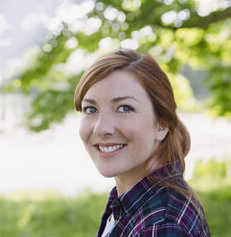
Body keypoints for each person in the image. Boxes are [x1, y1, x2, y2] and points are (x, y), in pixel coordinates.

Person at [74, 49, 210, 236]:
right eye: (90, 109)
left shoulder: (161, 225)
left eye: (124, 108)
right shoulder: (130, 203)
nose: (101, 128)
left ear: (161, 124)